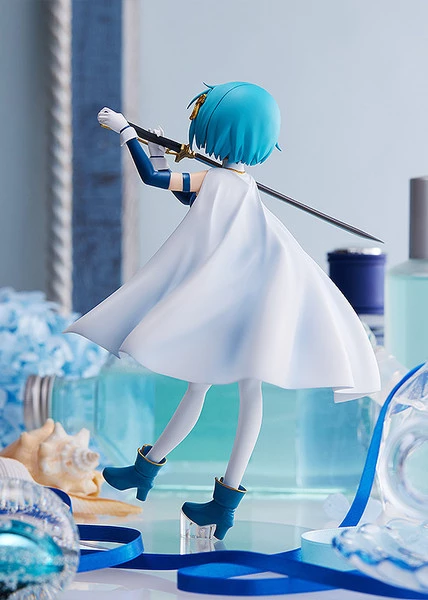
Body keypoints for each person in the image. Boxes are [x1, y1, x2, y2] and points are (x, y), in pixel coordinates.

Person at [66, 81, 380, 540]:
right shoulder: (236, 185)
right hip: (247, 305)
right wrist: (157, 150)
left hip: (238, 307)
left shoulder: (219, 181)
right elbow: (190, 199)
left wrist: (127, 133)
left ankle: (182, 486)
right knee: (217, 390)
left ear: (223, 131)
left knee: (223, 391)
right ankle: (170, 480)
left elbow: (155, 181)